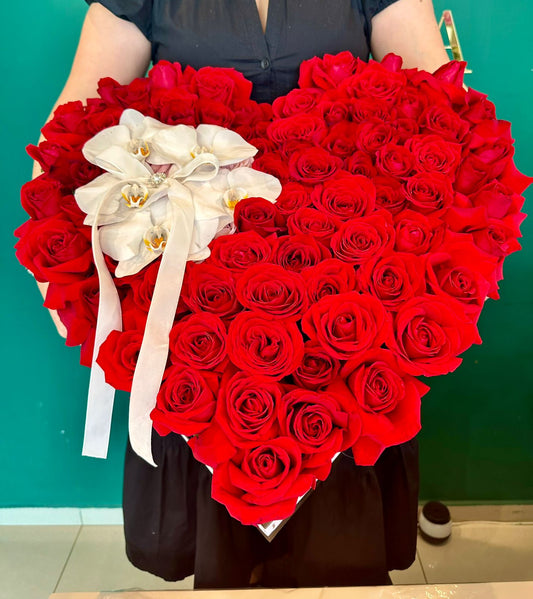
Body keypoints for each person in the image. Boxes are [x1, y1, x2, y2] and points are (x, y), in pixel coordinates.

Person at [33, 0, 450, 589]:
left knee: (336, 522)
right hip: (198, 288)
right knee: (220, 497)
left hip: (342, 286)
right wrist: (55, 255)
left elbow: (436, 104)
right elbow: (76, 115)